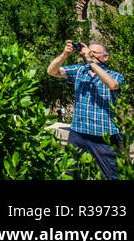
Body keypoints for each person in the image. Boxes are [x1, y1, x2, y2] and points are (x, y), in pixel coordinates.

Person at [48, 39, 124, 179]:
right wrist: (64, 55)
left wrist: (90, 60)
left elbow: (112, 85)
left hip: (103, 136)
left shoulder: (115, 75)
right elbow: (51, 71)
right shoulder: (79, 71)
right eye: (89, 51)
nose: (89, 54)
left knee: (109, 176)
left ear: (105, 57)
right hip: (78, 133)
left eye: (94, 52)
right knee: (69, 173)